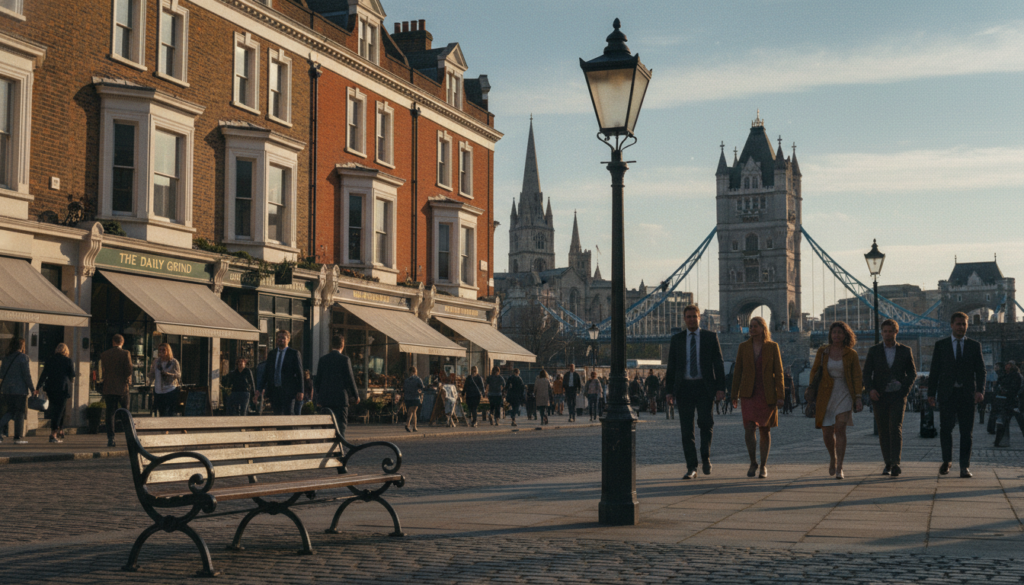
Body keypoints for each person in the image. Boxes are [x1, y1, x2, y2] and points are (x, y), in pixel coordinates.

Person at [665, 305, 726, 480]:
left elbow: (718, 364)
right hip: (684, 388)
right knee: (686, 429)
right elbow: (671, 367)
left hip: (704, 387)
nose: (692, 319)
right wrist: (669, 391)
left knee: (706, 424)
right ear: (684, 319)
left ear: (700, 318)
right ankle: (691, 467)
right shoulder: (676, 339)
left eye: (694, 316)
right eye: (689, 317)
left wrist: (721, 388)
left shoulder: (710, 337)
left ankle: (705, 457)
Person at [927, 311, 986, 478]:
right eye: (958, 324)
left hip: (967, 395)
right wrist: (931, 393)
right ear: (952, 325)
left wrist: (980, 390)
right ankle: (947, 461)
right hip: (947, 394)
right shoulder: (941, 345)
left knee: (966, 432)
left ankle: (964, 466)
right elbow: (934, 371)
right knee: (946, 429)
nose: (961, 327)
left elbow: (981, 371)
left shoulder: (974, 346)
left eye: (964, 324)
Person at [730, 316, 785, 479]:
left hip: (766, 393)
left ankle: (763, 465)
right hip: (748, 393)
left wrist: (780, 395)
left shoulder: (773, 347)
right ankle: (753, 462)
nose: (752, 329)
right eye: (750, 326)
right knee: (749, 428)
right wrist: (734, 394)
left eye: (755, 326)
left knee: (765, 429)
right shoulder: (743, 347)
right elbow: (737, 372)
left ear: (763, 328)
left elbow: (779, 373)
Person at [862, 319, 918, 477]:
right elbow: (866, 373)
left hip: (898, 396)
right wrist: (871, 390)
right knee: (883, 430)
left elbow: (912, 373)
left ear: (896, 332)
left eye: (890, 331)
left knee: (895, 428)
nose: (887, 334)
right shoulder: (874, 351)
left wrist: (904, 390)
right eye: (885, 331)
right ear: (881, 333)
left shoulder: (905, 351)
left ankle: (895, 464)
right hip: (879, 396)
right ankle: (887, 462)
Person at [809, 321, 863, 480]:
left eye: (840, 332)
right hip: (825, 394)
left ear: (845, 335)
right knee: (827, 432)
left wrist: (858, 397)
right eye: (834, 332)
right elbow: (814, 371)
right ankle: (832, 457)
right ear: (830, 335)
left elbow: (857, 376)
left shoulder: (851, 354)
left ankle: (840, 466)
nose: (836, 335)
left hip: (844, 392)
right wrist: (812, 390)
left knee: (840, 429)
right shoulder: (823, 351)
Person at [314, 335, 360, 440]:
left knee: (327, 428)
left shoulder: (323, 359)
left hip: (325, 400)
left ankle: (328, 447)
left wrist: (318, 398)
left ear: (331, 345)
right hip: (340, 399)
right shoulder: (345, 359)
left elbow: (318, 381)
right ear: (343, 345)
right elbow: (350, 379)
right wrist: (356, 395)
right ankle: (339, 447)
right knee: (340, 427)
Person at [36, 343, 75, 443]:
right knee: (59, 411)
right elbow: (72, 375)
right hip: (62, 388)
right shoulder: (68, 361)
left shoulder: (50, 360)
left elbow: (44, 374)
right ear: (66, 351)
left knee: (56, 410)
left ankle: (60, 429)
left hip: (51, 388)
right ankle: (53, 434)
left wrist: (38, 387)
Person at [99, 334, 133, 447]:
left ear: (113, 342)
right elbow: (129, 369)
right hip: (122, 387)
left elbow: (103, 371)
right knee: (125, 413)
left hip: (109, 387)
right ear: (122, 342)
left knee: (110, 413)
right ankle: (129, 437)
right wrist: (127, 379)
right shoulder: (125, 353)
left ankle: (111, 438)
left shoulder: (105, 354)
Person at [261, 330, 304, 415]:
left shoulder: (294, 353)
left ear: (288, 339)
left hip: (288, 391)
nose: (281, 339)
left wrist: (301, 391)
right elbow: (267, 372)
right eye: (279, 337)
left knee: (288, 414)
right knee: (277, 415)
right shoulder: (272, 354)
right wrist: (261, 388)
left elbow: (300, 373)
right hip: (274, 391)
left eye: (283, 338)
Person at [0, 338, 34, 445]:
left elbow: (1, 374)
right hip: (20, 390)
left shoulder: (6, 358)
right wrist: (32, 389)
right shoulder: (23, 357)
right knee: (19, 413)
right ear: (21, 346)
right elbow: (26, 375)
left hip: (7, 389)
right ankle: (18, 437)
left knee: (10, 411)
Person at [993, 361, 1023, 448]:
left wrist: (1007, 391)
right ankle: (1000, 441)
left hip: (1013, 401)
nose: (1007, 366)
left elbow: (1016, 388)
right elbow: (998, 385)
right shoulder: (1004, 375)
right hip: (1005, 401)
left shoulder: (1016, 375)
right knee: (1003, 422)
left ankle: (1000, 441)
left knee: (1020, 421)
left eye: (1009, 365)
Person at [150, 343, 181, 418]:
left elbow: (178, 375)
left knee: (170, 413)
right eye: (160, 350)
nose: (161, 351)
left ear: (168, 351)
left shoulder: (173, 362)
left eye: (164, 350)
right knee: (161, 412)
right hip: (158, 390)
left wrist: (168, 374)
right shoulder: (156, 361)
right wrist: (149, 381)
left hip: (169, 389)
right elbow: (152, 373)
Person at [402, 366, 424, 432]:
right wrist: (420, 391)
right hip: (415, 397)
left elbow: (404, 389)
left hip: (407, 398)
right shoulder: (417, 379)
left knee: (412, 411)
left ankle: (414, 427)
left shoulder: (406, 380)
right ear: (415, 372)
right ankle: (408, 424)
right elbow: (422, 387)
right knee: (412, 412)